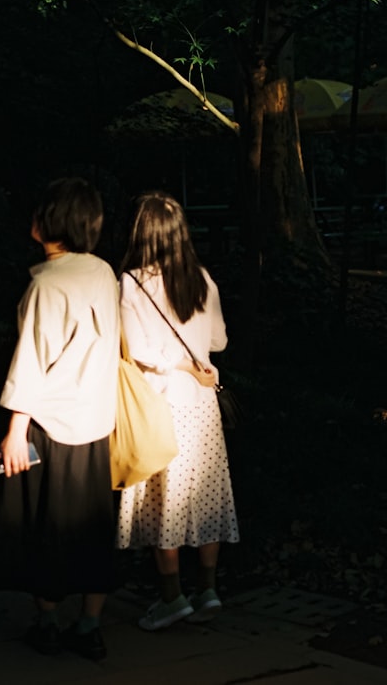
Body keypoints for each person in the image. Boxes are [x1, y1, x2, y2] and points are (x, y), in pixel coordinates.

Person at [0, 177, 121, 661]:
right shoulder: (104, 273)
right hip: (96, 422)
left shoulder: (47, 283)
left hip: (49, 423)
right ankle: (90, 625)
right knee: (90, 526)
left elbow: (31, 360)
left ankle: (47, 620)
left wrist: (15, 429)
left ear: (51, 221)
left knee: (44, 525)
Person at [115, 191, 240, 631]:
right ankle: (208, 589)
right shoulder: (204, 280)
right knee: (205, 497)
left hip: (158, 404)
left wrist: (177, 361)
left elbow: (141, 350)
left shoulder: (130, 284)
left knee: (161, 502)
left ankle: (172, 597)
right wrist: (193, 358)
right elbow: (220, 341)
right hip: (201, 404)